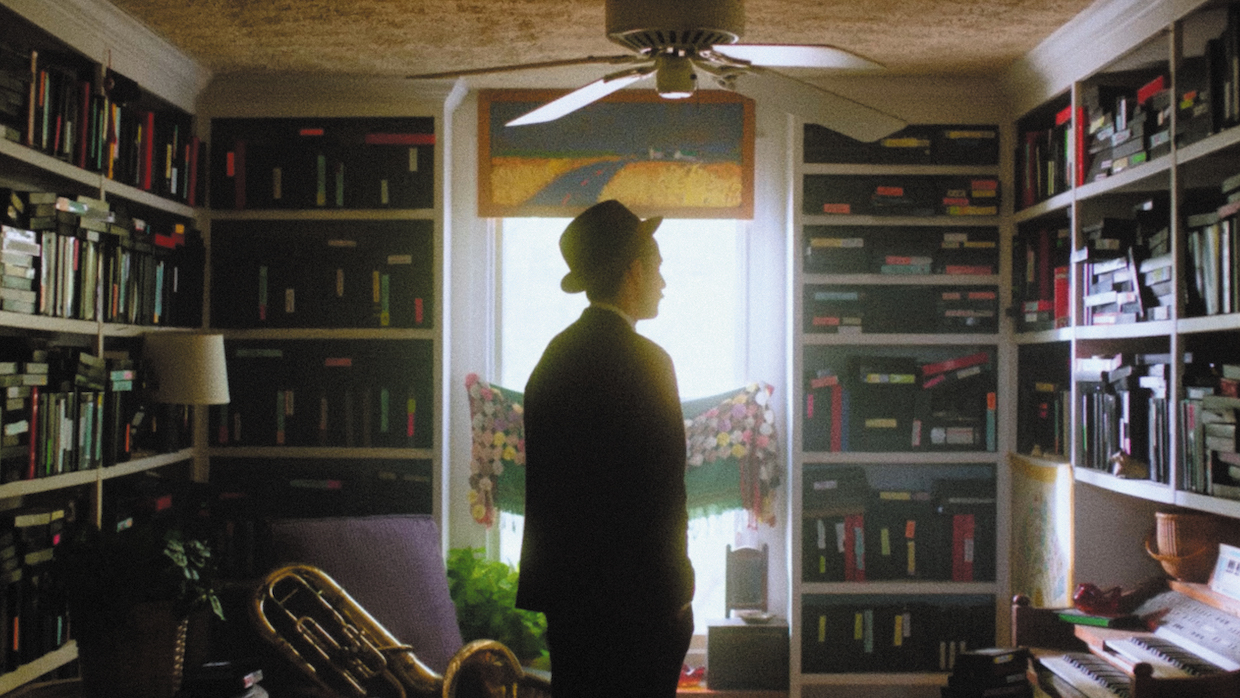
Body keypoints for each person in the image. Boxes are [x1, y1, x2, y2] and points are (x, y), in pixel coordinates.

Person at [516, 199, 695, 698]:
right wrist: (679, 589)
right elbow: (665, 489)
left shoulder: (551, 359)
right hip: (642, 603)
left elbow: (547, 494)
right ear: (634, 270)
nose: (664, 281)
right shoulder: (649, 362)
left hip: (571, 602)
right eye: (658, 267)